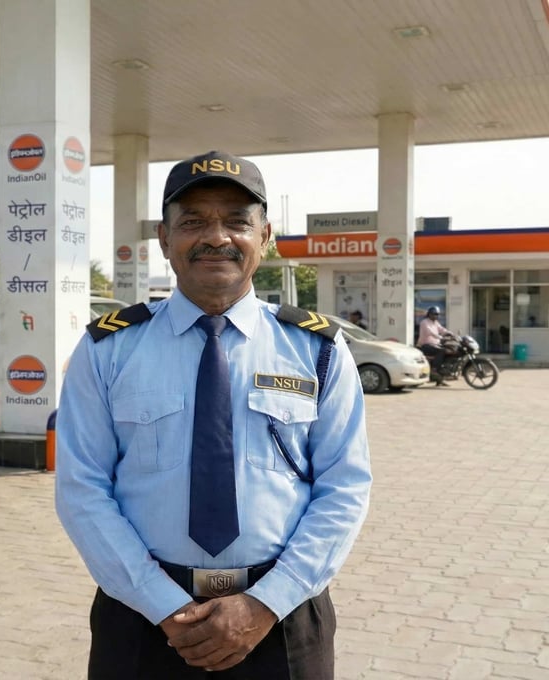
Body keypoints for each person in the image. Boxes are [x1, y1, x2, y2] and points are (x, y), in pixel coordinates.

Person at [55, 150, 372, 679]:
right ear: (164, 238)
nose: (216, 237)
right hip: (141, 620)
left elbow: (345, 488)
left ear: (264, 237)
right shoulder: (109, 348)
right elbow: (82, 488)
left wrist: (265, 603)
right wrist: (164, 605)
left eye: (237, 221)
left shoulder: (316, 348)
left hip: (282, 617)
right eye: (193, 221)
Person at [416, 305, 451, 386]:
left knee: (447, 351)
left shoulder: (435, 322)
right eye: (434, 314)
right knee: (441, 351)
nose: (436, 316)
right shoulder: (424, 322)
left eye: (437, 314)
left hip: (435, 344)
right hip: (425, 345)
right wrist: (440, 337)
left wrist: (450, 333)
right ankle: (434, 369)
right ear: (429, 314)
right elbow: (430, 332)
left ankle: (440, 379)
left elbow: (442, 329)